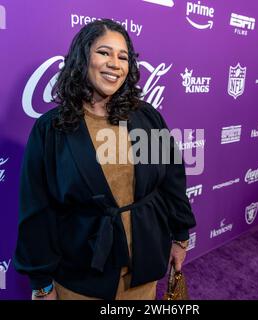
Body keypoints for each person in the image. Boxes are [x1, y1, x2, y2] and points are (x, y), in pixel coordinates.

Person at [13, 19, 197, 300]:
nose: (115, 63)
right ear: (82, 57)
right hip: (80, 277)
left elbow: (171, 180)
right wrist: (41, 282)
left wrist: (180, 235)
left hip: (142, 270)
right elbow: (37, 210)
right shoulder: (51, 129)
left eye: (123, 57)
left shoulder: (146, 117)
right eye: (104, 52)